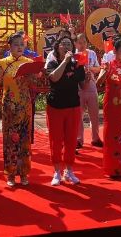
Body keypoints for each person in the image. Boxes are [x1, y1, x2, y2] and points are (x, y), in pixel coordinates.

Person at [0, 32, 36, 187]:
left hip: (25, 105)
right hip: (9, 106)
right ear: (10, 46)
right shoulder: (3, 63)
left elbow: (33, 83)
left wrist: (32, 75)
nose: (19, 47)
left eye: (22, 44)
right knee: (10, 140)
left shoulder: (29, 62)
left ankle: (24, 173)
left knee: (25, 140)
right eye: (16, 44)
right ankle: (10, 174)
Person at [46, 36, 86, 185]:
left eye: (70, 44)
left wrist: (87, 77)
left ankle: (69, 171)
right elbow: (54, 78)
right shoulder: (52, 63)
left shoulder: (78, 64)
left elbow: (83, 86)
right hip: (56, 106)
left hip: (73, 106)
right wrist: (65, 61)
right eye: (64, 44)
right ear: (58, 48)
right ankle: (57, 171)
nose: (67, 46)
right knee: (56, 140)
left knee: (71, 140)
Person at [96, 39, 121, 177]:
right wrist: (105, 72)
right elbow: (98, 83)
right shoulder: (107, 65)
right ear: (115, 52)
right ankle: (111, 168)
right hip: (111, 104)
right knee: (111, 134)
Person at [75, 33, 103, 149]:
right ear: (75, 43)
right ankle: (79, 140)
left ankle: (95, 138)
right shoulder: (72, 55)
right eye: (79, 42)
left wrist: (89, 67)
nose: (82, 45)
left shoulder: (91, 53)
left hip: (91, 87)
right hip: (78, 88)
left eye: (84, 42)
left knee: (94, 115)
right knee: (78, 115)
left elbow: (98, 69)